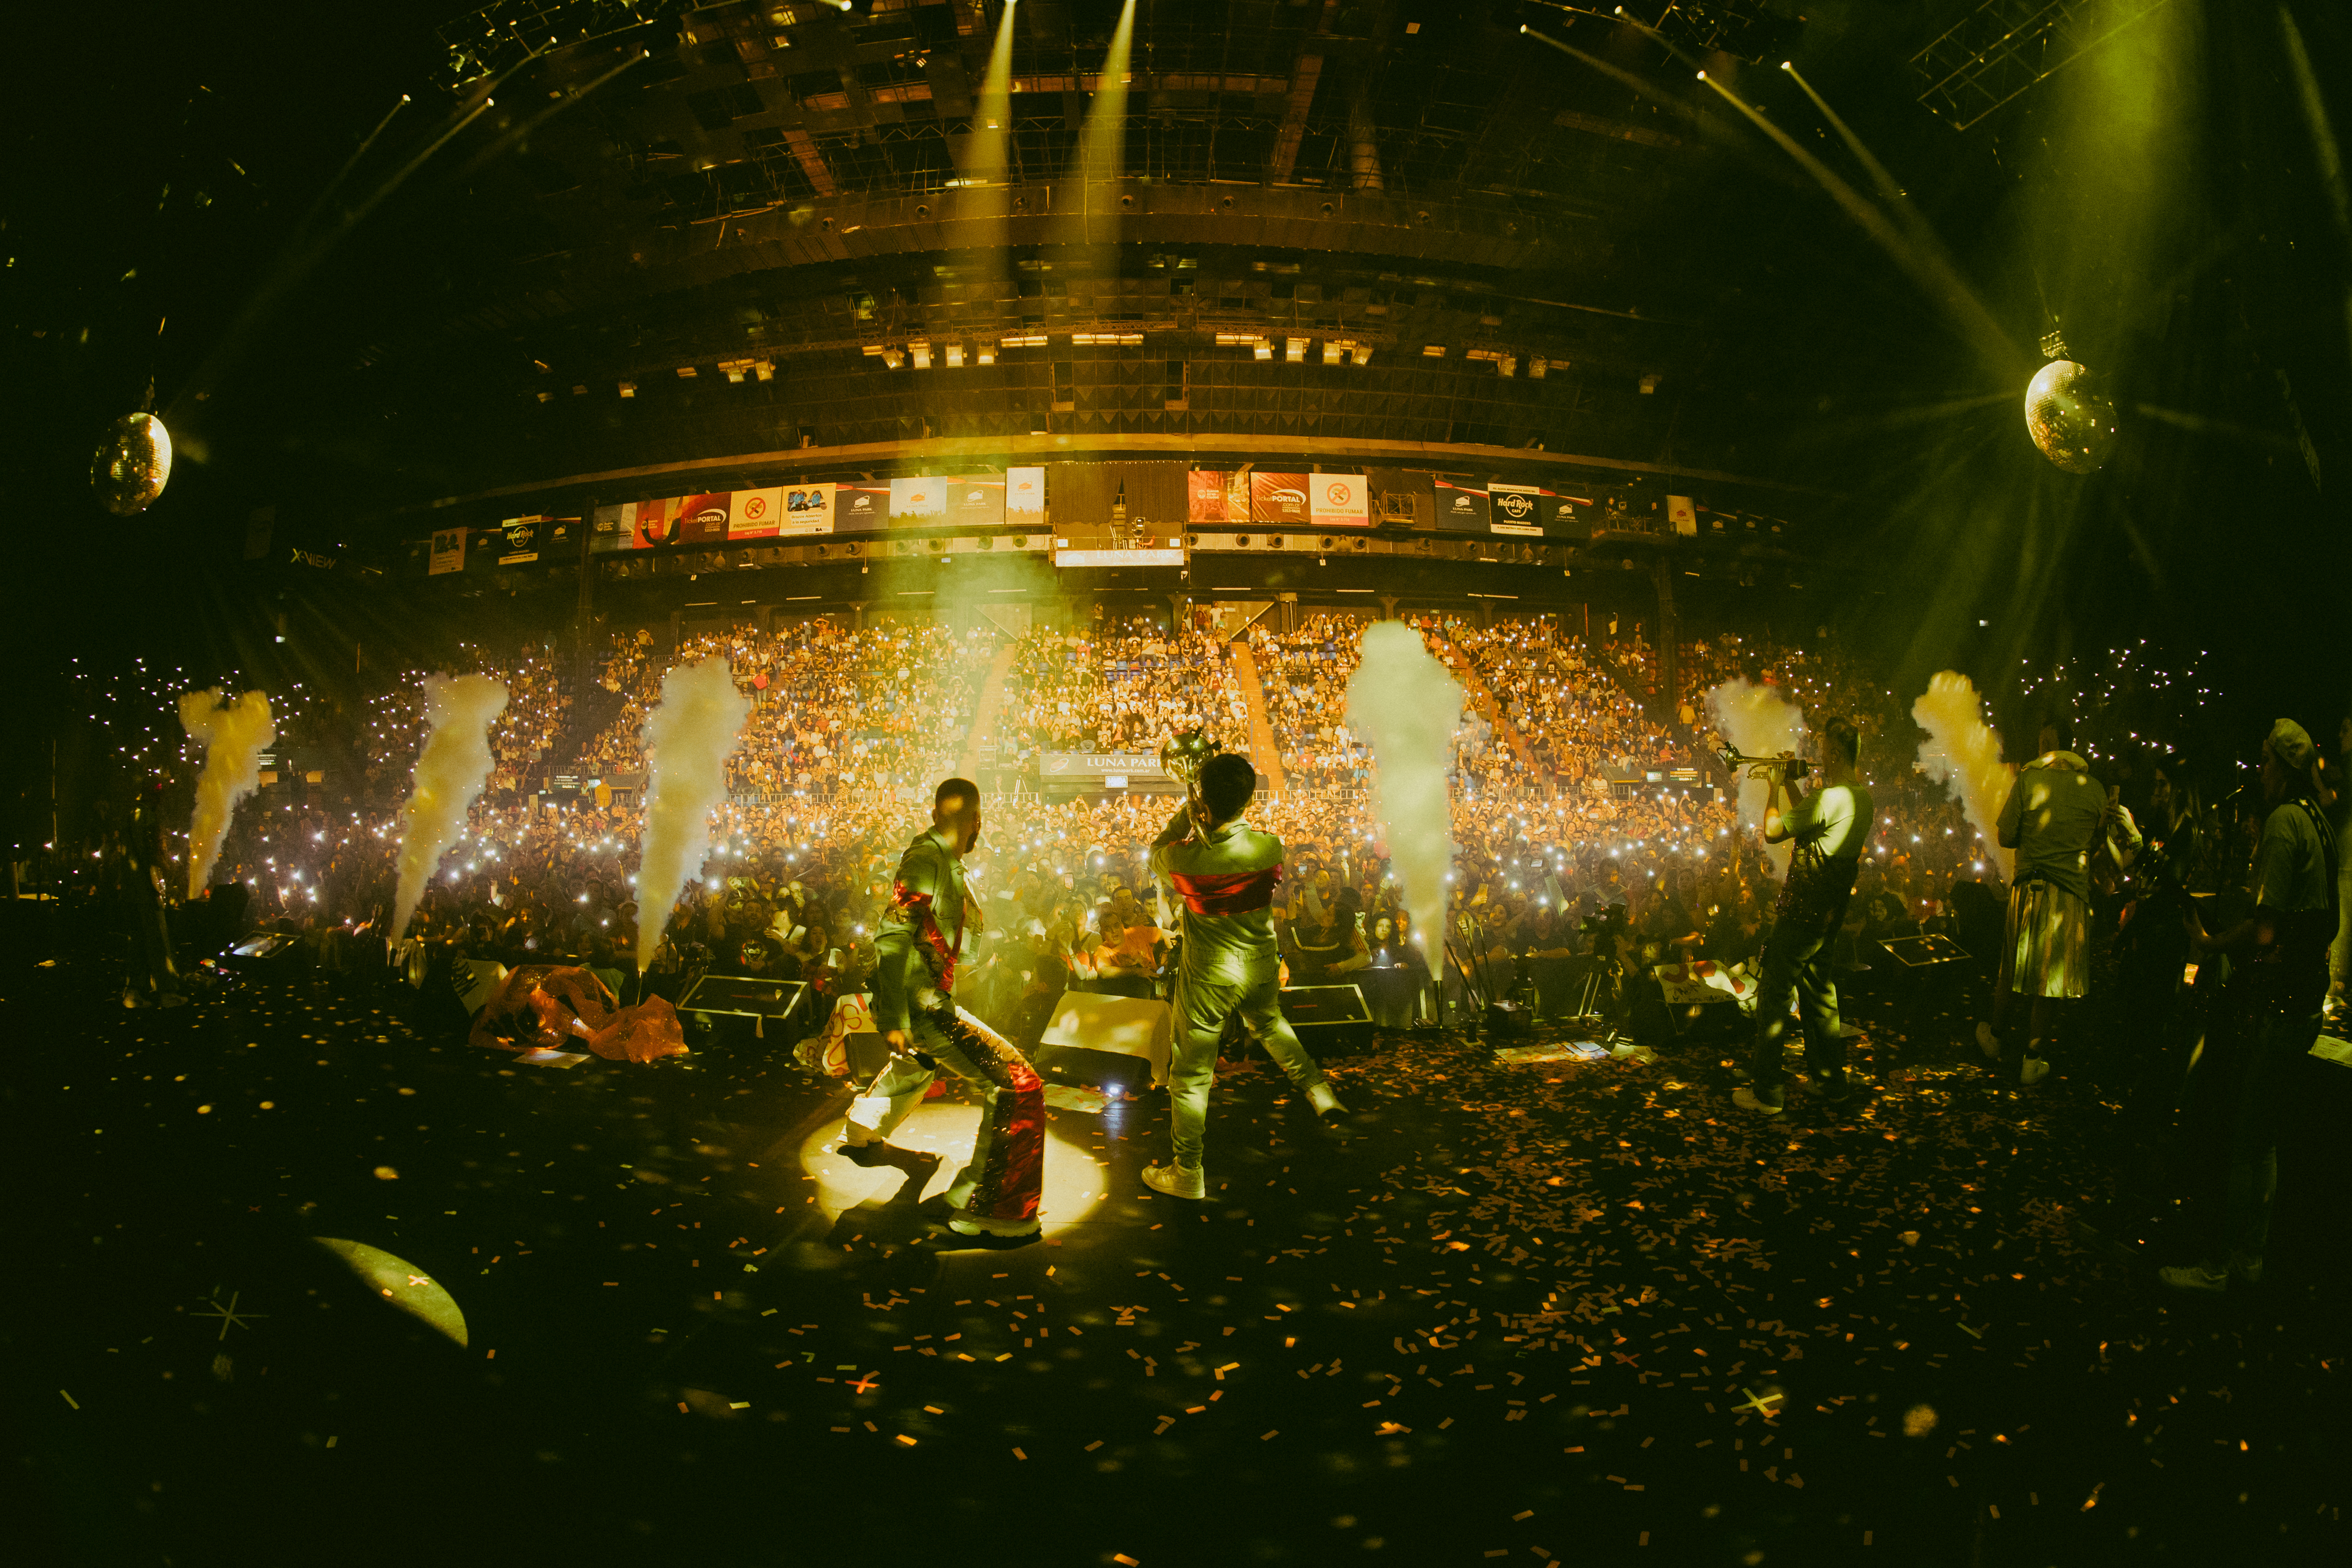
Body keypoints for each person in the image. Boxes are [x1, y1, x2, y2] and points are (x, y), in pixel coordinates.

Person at [2160, 720, 2337, 1293]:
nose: (2256, 772)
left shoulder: (2285, 822)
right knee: (2263, 1142)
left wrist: (2210, 942)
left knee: (2240, 1138)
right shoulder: (2319, 820)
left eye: (2263, 762)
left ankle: (2220, 1266)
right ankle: (2250, 1257)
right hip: (2304, 1002)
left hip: (2279, 1004)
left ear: (2280, 767)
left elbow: (2265, 931)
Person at [838, 778, 1045, 1245]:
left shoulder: (947, 862)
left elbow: (957, 944)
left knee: (919, 1061)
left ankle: (864, 1126)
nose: (980, 829)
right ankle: (992, 1207)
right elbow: (892, 936)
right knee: (1019, 1083)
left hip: (928, 998)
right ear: (973, 820)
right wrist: (894, 1017)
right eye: (978, 820)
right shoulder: (926, 859)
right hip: (923, 1005)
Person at [1144, 752, 1344, 1199]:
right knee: (1271, 1023)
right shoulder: (1271, 846)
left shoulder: (1188, 859)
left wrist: (1188, 811)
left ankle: (1188, 1169)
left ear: (1205, 802)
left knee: (1192, 1074)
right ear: (1248, 798)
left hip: (1209, 975)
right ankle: (1318, 1088)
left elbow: (1156, 853)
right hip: (1258, 963)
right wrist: (1207, 809)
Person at [1733, 716, 1875, 1115]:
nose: (1818, 757)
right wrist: (1793, 783)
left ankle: (1768, 1091)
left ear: (1834, 752)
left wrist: (1776, 784)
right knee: (1820, 997)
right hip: (1828, 916)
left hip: (1801, 912)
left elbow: (1775, 831)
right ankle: (1830, 1081)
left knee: (1774, 998)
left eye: (1823, 750)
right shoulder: (1861, 798)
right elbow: (1814, 819)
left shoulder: (1831, 797)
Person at [1976, 717, 2105, 1085]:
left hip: (2029, 890)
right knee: (2050, 983)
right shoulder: (2094, 788)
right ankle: (2032, 1061)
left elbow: (2005, 836)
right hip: (2070, 896)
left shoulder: (2029, 780)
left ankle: (1995, 1038)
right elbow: (2098, 840)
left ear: (2048, 745)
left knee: (2011, 969)